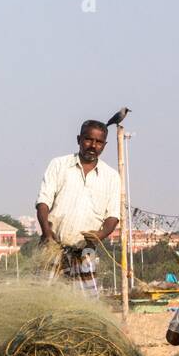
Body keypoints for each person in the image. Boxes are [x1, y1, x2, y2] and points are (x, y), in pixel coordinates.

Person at [35, 120, 121, 296]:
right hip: (53, 246)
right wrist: (46, 232)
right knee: (40, 300)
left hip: (85, 251)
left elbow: (113, 217)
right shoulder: (59, 165)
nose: (93, 146)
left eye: (98, 142)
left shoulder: (111, 177)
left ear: (104, 145)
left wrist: (100, 235)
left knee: (87, 306)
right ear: (78, 139)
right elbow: (43, 202)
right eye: (88, 140)